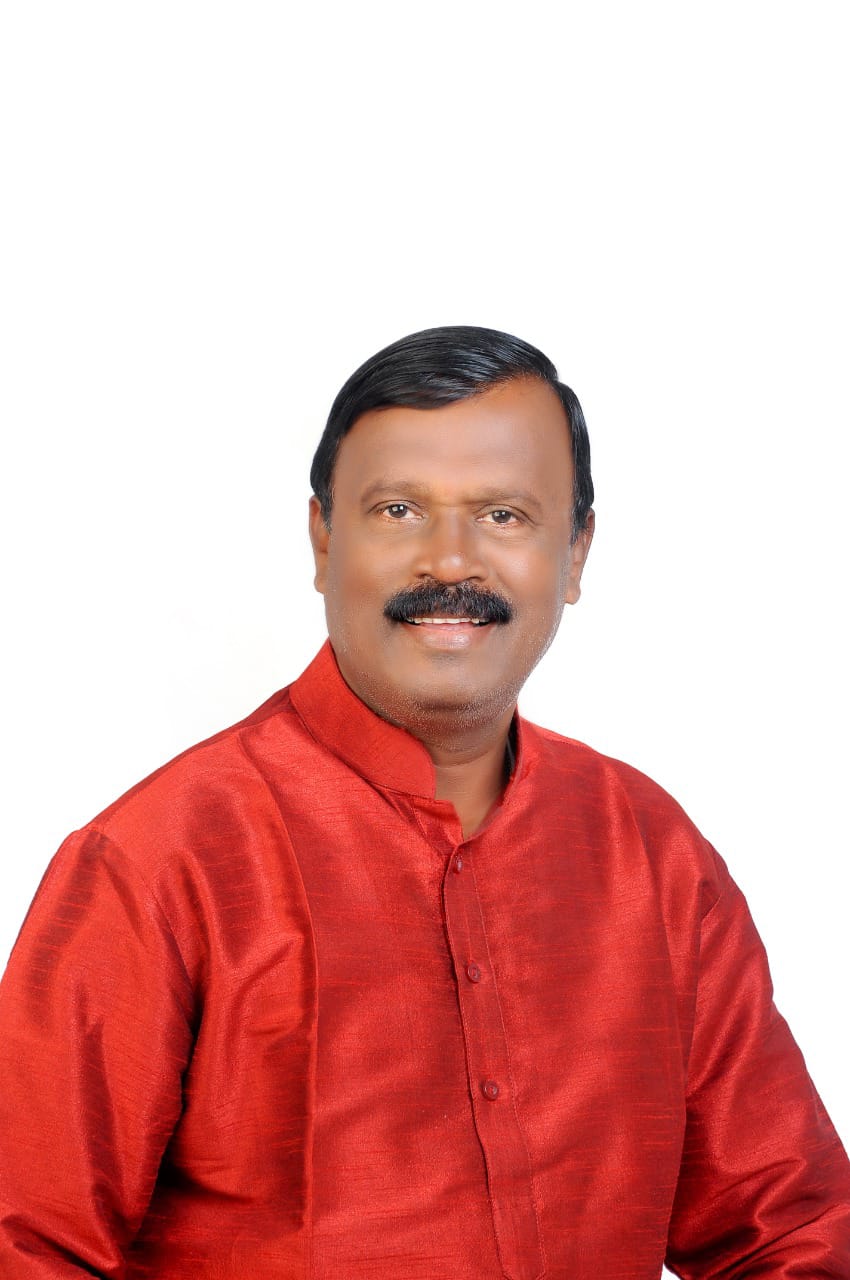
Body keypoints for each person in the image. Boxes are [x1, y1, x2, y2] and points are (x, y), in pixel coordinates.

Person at [0, 325, 848, 1279]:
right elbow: (25, 1245)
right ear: (324, 540)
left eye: (504, 515)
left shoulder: (650, 855)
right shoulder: (160, 861)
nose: (450, 562)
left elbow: (790, 1232)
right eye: (399, 510)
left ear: (576, 553)